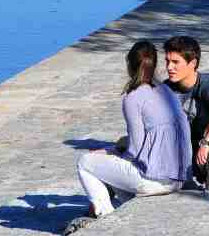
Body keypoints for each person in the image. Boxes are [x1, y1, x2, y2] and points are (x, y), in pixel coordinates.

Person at [67, 41, 190, 234]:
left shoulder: (132, 98)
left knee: (85, 162)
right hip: (178, 177)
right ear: (155, 64)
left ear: (130, 65)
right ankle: (125, 214)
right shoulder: (166, 91)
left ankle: (105, 218)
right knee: (115, 171)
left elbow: (135, 150)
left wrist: (111, 152)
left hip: (153, 179)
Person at [163, 36, 209, 192]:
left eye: (175, 62)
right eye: (167, 61)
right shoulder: (164, 89)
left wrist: (206, 143)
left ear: (193, 63)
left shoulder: (207, 84)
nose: (169, 67)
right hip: (186, 152)